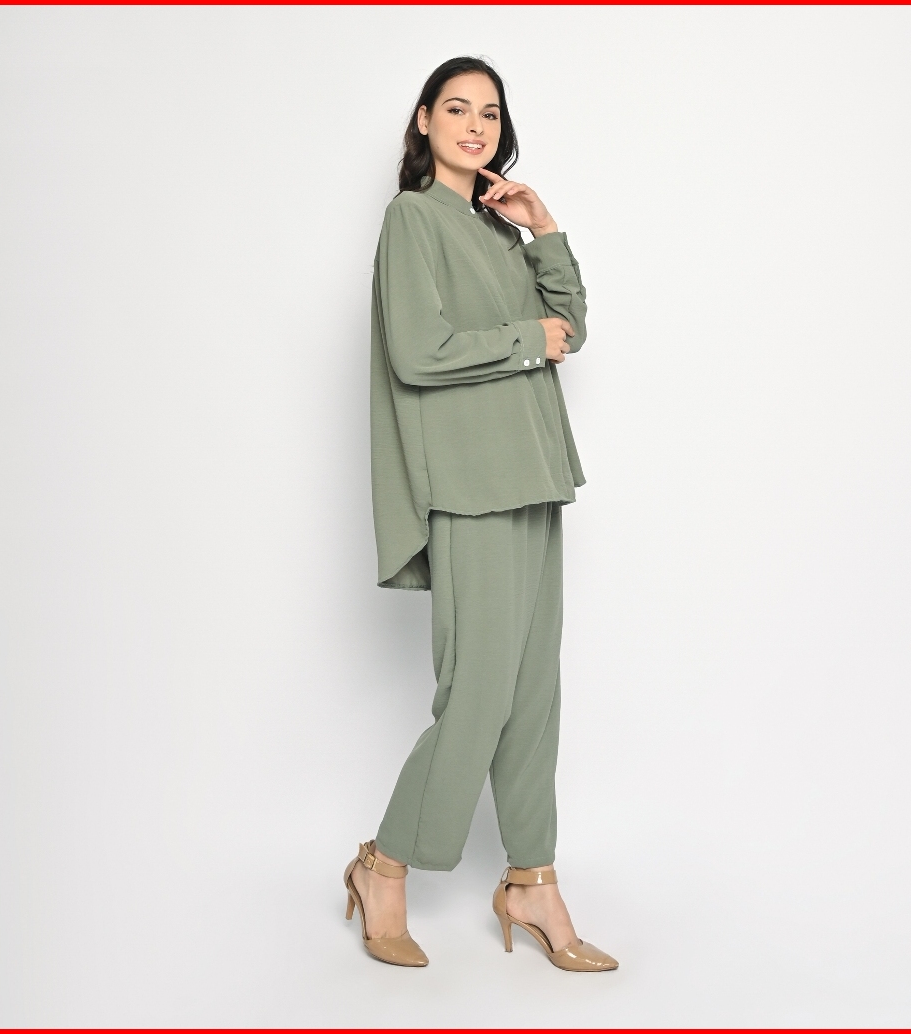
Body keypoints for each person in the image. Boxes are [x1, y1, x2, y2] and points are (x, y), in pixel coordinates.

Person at [344, 56, 617, 973]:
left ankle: (532, 880)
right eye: (456, 108)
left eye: (489, 113)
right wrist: (526, 339)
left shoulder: (499, 230)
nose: (474, 125)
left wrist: (543, 229)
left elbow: (571, 328)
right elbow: (418, 351)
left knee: (533, 694)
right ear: (424, 121)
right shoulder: (412, 218)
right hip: (470, 481)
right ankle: (383, 864)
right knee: (480, 694)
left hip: (535, 474)